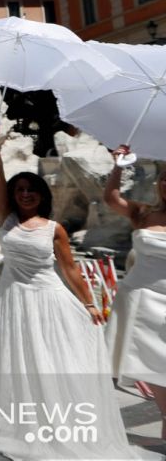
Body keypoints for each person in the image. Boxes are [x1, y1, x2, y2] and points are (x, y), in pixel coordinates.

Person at [0, 129, 151, 460]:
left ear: (42, 195)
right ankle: (27, 424)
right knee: (22, 362)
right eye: (20, 190)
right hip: (15, 299)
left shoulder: (53, 229)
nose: (25, 194)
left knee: (48, 361)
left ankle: (58, 426)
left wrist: (90, 303)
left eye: (31, 190)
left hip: (48, 299)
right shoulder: (6, 219)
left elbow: (70, 269)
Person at [104, 145, 166, 437]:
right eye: (164, 178)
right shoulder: (143, 213)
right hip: (139, 300)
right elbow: (112, 198)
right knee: (156, 377)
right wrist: (119, 165)